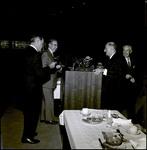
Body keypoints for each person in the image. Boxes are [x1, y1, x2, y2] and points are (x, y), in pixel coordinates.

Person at [20, 35, 56, 144]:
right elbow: (39, 74)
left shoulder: (24, 51)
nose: (43, 45)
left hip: (25, 87)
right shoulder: (36, 55)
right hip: (33, 89)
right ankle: (28, 137)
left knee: (27, 114)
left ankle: (29, 132)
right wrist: (49, 68)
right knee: (33, 114)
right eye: (42, 42)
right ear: (37, 41)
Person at [93, 42, 125, 111]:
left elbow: (119, 74)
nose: (104, 50)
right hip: (109, 92)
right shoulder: (111, 59)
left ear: (111, 48)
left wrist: (103, 70)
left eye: (106, 48)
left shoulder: (119, 58)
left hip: (114, 94)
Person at [40, 39, 62, 124]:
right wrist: (54, 67)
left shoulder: (50, 54)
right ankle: (49, 119)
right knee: (49, 101)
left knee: (44, 101)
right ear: (49, 45)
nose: (56, 47)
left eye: (57, 45)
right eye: (54, 45)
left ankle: (43, 117)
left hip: (48, 82)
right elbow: (44, 68)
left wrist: (57, 67)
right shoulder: (46, 53)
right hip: (47, 82)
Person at [122, 45, 140, 122]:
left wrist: (134, 78)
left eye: (127, 50)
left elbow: (138, 73)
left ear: (130, 51)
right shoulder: (119, 60)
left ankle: (131, 124)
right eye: (124, 50)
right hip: (121, 88)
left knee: (131, 109)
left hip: (132, 89)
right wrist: (124, 76)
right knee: (119, 109)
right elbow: (117, 73)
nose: (125, 52)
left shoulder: (134, 60)